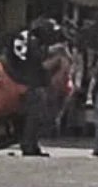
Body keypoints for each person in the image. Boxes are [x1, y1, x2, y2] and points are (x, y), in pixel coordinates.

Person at [15, 17, 70, 157]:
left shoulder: (34, 42)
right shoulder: (32, 43)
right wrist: (55, 58)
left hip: (36, 85)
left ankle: (32, 145)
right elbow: (40, 64)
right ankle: (29, 146)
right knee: (33, 118)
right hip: (34, 86)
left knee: (36, 118)